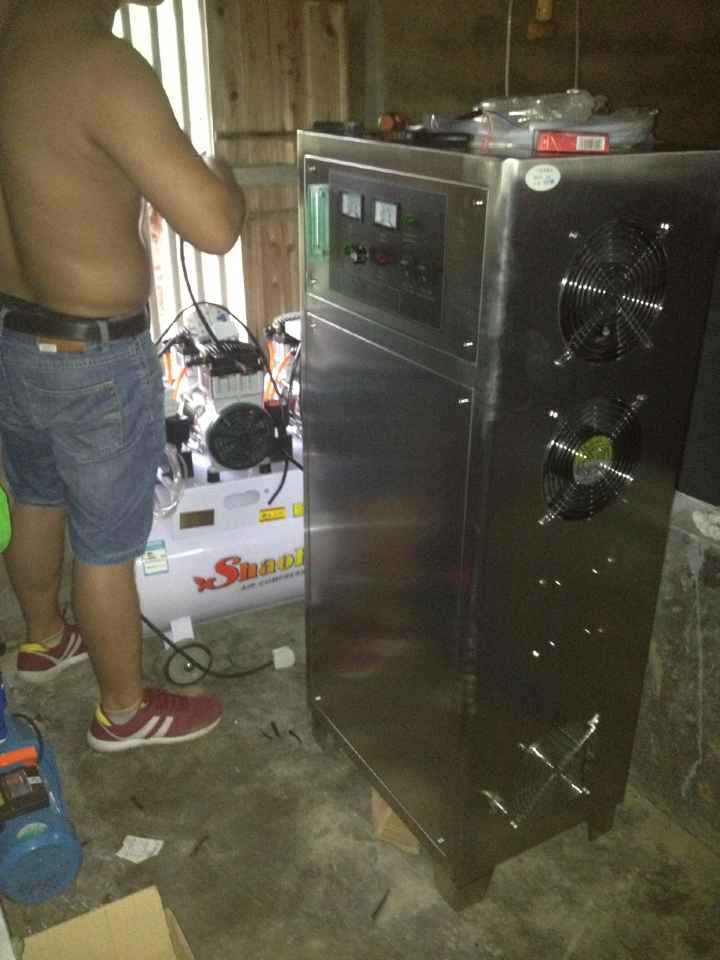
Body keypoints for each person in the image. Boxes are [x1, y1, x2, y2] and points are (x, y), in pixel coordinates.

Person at [0, 0, 245, 752]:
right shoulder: (99, 63)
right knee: (106, 545)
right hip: (94, 357)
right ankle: (124, 712)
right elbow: (215, 226)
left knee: (35, 496)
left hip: (12, 339)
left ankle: (44, 639)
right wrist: (221, 170)